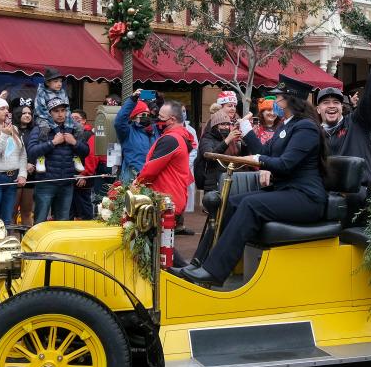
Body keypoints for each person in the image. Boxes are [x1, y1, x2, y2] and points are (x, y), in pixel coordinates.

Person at [179, 75, 328, 287]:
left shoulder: (306, 128)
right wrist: (248, 132)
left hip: (306, 197)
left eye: (278, 97)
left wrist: (259, 159)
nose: (275, 102)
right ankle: (198, 262)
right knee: (230, 201)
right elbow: (264, 151)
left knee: (250, 205)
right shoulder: (286, 126)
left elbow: (285, 164)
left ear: (290, 99)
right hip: (288, 191)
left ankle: (215, 271)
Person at [316, 29, 371, 183]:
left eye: (336, 102)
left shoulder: (357, 123)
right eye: (325, 102)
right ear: (318, 109)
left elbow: (370, 97)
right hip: (326, 197)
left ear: (342, 107)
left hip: (358, 194)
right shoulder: (313, 133)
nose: (331, 106)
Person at [26, 97, 89, 224]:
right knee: (40, 221)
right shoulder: (40, 128)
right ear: (49, 113)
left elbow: (86, 151)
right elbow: (31, 152)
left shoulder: (73, 129)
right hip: (45, 183)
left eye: (63, 110)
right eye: (56, 111)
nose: (60, 114)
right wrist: (53, 142)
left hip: (66, 183)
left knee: (63, 222)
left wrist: (75, 142)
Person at [135, 100, 195, 212]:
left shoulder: (171, 139)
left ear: (172, 120)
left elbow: (150, 170)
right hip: (172, 198)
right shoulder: (180, 137)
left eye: (161, 117)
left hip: (165, 201)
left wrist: (136, 184)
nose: (157, 120)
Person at [194, 111, 247, 192]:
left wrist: (245, 142)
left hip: (230, 179)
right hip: (214, 182)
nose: (226, 127)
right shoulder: (207, 139)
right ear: (215, 126)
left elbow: (241, 157)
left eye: (227, 124)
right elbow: (210, 156)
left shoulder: (231, 138)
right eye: (222, 124)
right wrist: (228, 140)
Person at [113, 94, 158, 183]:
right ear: (133, 117)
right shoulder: (128, 132)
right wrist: (132, 100)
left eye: (147, 114)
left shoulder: (154, 131)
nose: (146, 116)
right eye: (142, 114)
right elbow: (119, 122)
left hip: (152, 176)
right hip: (132, 175)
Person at [69, 110, 98, 220]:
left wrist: (85, 174)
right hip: (72, 176)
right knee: (73, 209)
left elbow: (92, 156)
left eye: (77, 118)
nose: (74, 121)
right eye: (71, 118)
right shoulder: (71, 133)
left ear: (84, 120)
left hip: (83, 177)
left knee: (84, 208)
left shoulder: (89, 134)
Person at [12, 103, 36, 226]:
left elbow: (39, 151)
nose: (27, 115)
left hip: (31, 175)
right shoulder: (11, 130)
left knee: (27, 212)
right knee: (12, 212)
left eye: (29, 113)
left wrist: (34, 164)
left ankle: (27, 242)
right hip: (14, 175)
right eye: (24, 113)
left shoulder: (35, 131)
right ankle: (11, 241)